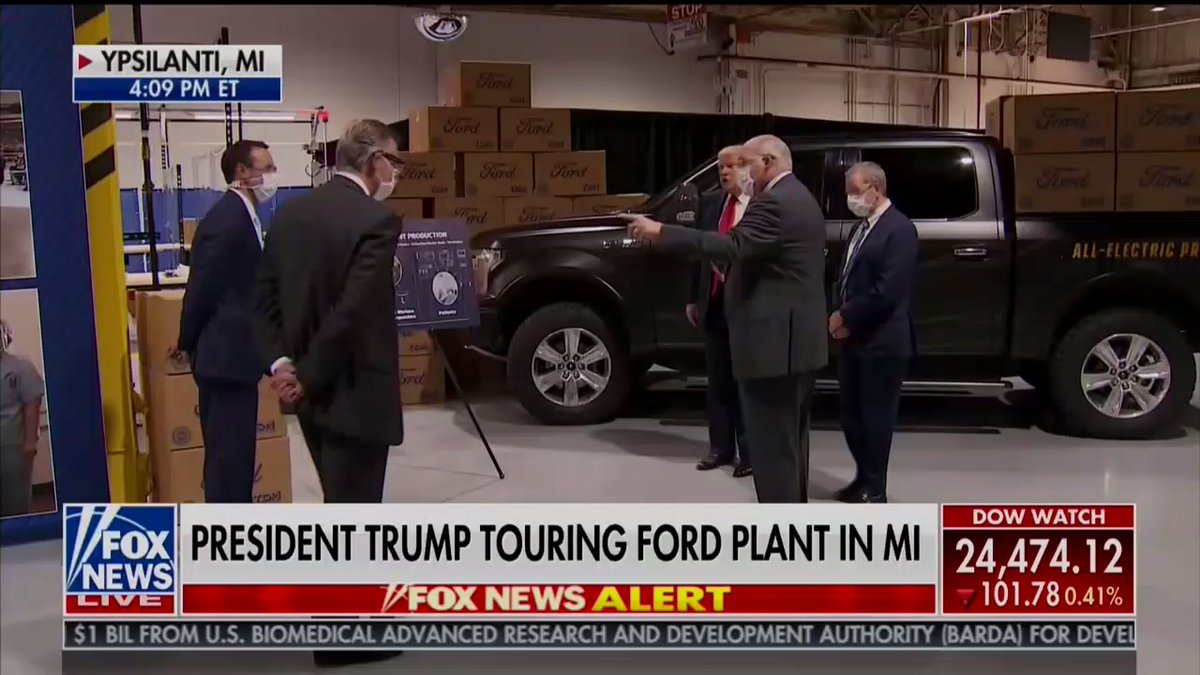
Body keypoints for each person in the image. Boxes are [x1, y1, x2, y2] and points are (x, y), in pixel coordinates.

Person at [253, 119, 404, 668]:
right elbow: (352, 312)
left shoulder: (290, 215)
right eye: (395, 161)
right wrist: (310, 374)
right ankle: (343, 640)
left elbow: (263, 300)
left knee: (340, 507)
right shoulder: (377, 220)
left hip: (308, 396)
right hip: (352, 388)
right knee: (355, 513)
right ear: (373, 161)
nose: (396, 173)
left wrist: (282, 366)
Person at [624, 135, 828, 503]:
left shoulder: (774, 202)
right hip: (793, 343)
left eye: (746, 163)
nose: (742, 171)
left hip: (773, 347)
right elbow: (768, 260)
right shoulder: (799, 196)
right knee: (788, 446)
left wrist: (660, 231)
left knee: (772, 450)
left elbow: (732, 244)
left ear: (767, 162)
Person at [177, 139, 277, 504]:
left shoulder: (245, 216)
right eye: (266, 168)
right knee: (228, 464)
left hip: (238, 359)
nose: (272, 176)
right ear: (242, 172)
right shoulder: (227, 220)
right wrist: (187, 341)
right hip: (224, 361)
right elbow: (202, 288)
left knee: (237, 462)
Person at [830, 161, 919, 504]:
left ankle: (875, 486)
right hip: (854, 338)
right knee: (852, 416)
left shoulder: (899, 229)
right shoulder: (862, 228)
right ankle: (862, 477)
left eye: (855, 192)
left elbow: (888, 290)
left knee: (876, 417)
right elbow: (847, 276)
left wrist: (845, 315)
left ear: (875, 188)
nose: (850, 199)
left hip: (882, 340)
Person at [687, 145, 752, 477]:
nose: (724, 173)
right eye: (720, 168)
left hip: (747, 307)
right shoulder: (712, 203)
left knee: (745, 382)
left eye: (731, 166)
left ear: (747, 168)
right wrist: (693, 298)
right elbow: (698, 251)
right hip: (713, 303)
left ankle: (750, 452)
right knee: (718, 381)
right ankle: (720, 448)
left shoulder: (761, 205)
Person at [0, 319, 45, 517]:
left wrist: (30, 441)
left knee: (14, 502)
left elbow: (32, 403)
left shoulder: (20, 368)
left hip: (11, 445)